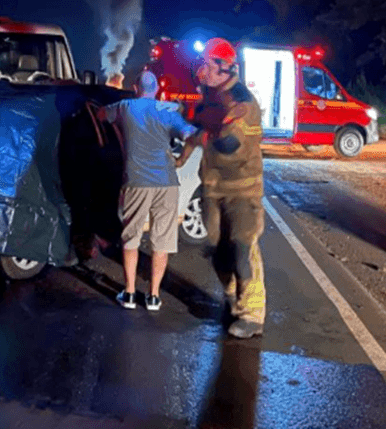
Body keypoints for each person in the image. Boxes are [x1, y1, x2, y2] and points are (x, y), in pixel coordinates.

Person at [178, 37, 265, 339]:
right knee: (218, 250)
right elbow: (197, 132)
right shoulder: (210, 99)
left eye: (207, 65)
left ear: (225, 68)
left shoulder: (244, 102)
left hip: (242, 190)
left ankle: (252, 314)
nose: (202, 71)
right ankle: (234, 298)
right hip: (213, 189)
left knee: (242, 248)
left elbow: (234, 147)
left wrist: (214, 128)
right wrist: (182, 156)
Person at [100, 70, 198, 310]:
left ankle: (130, 293)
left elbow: (101, 115)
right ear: (157, 90)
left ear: (135, 88)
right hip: (166, 182)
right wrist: (182, 159)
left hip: (136, 181)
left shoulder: (125, 106)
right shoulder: (168, 111)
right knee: (161, 242)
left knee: (131, 238)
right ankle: (154, 296)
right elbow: (191, 135)